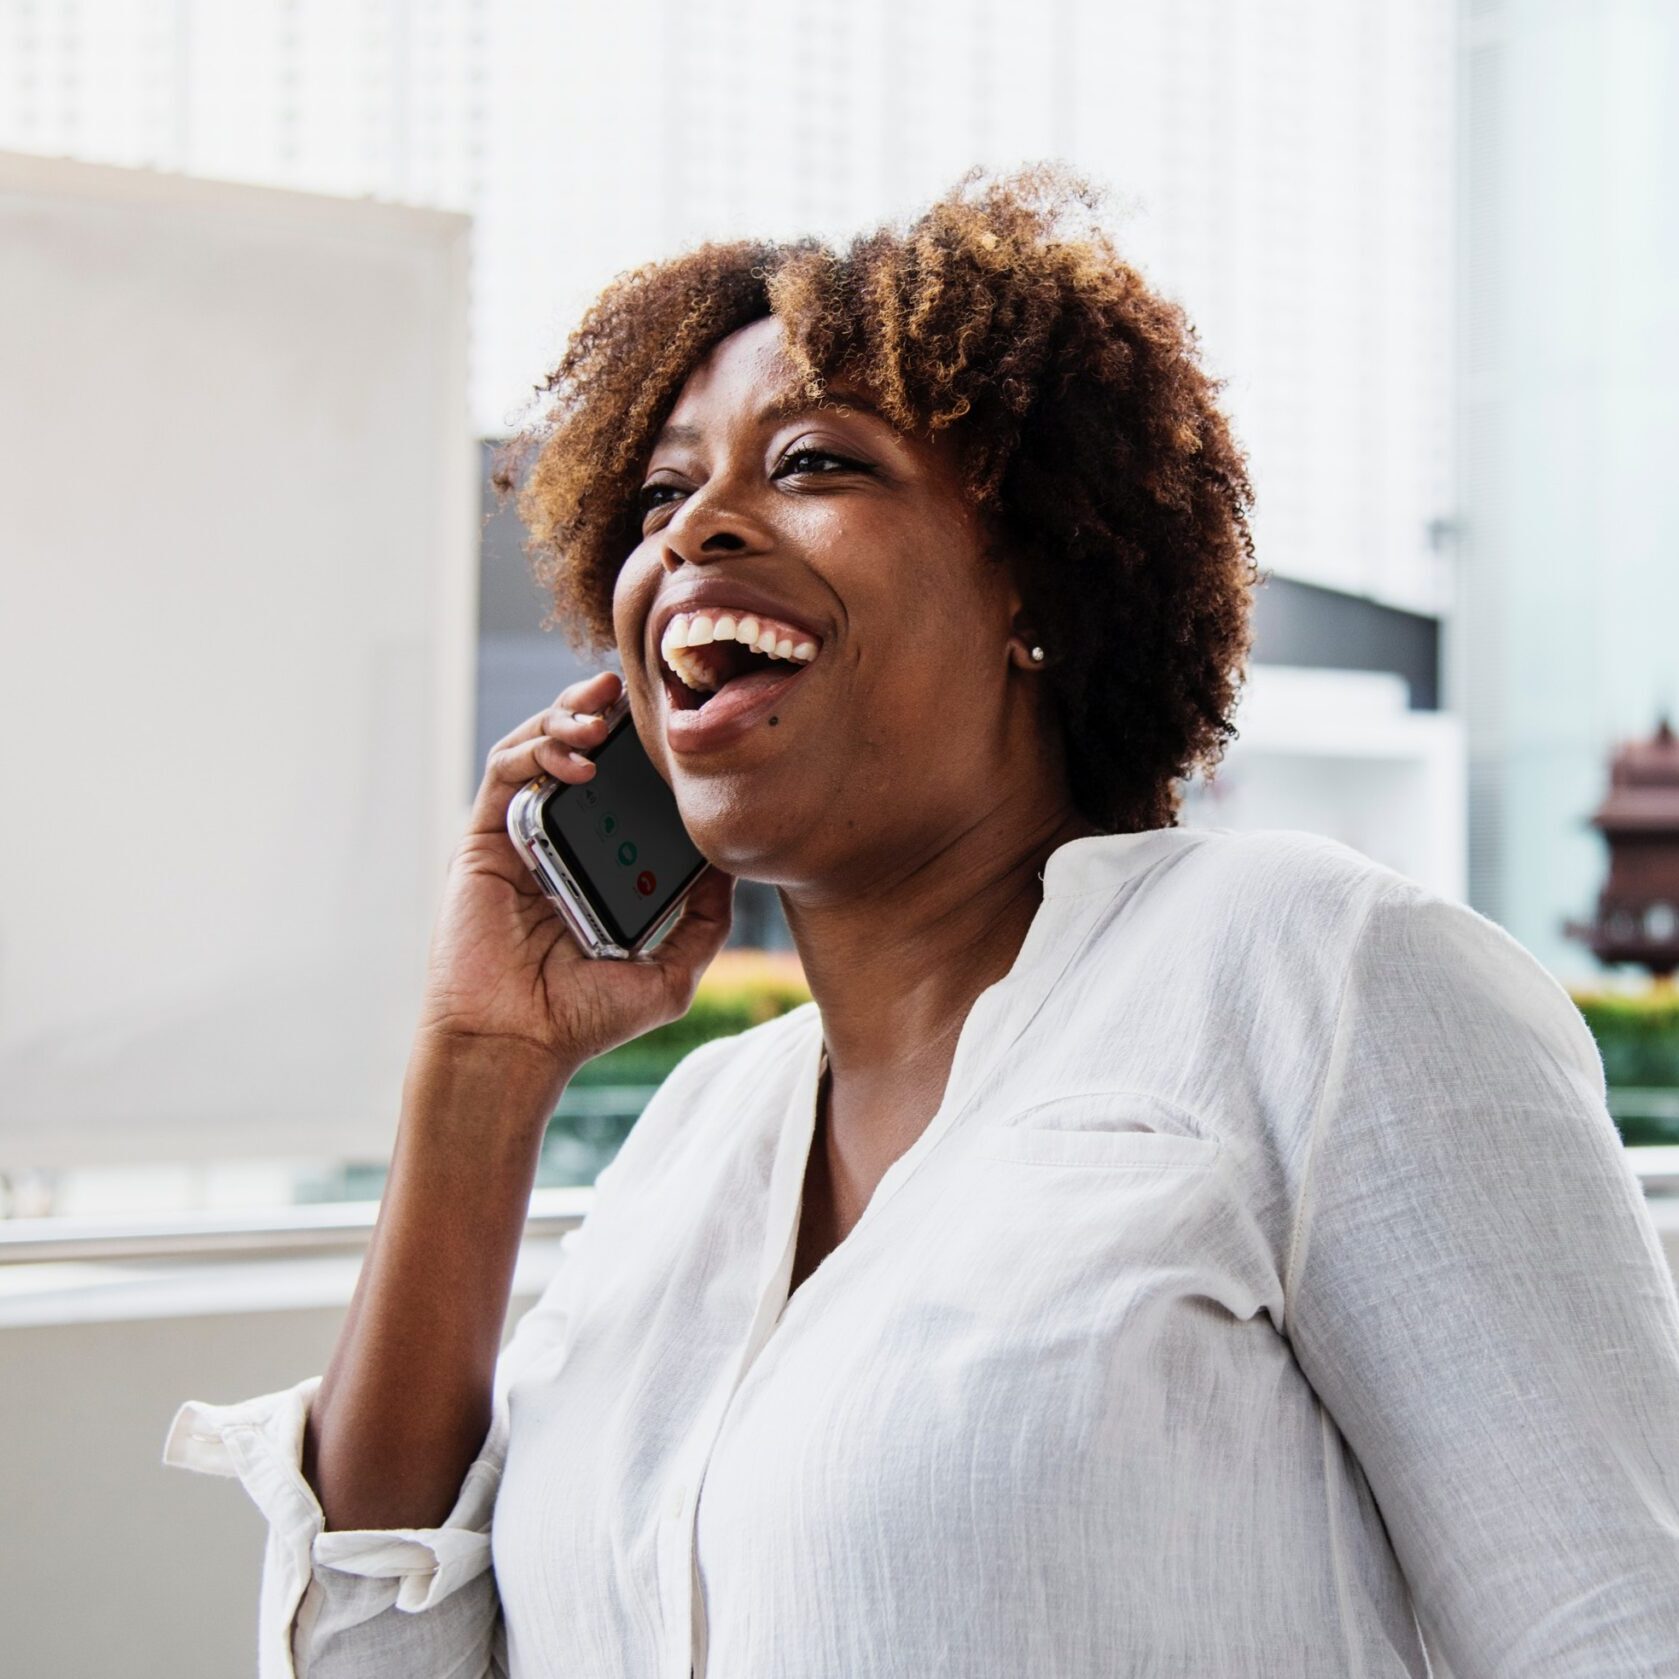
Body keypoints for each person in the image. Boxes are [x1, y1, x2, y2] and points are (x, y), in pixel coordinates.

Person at [164, 163, 1679, 1678]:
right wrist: (478, 1074)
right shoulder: (690, 1147)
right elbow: (379, 1660)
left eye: (814, 461)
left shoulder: (1319, 976)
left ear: (1040, 574)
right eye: (658, 495)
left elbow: (1615, 1629)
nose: (697, 530)